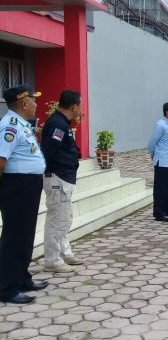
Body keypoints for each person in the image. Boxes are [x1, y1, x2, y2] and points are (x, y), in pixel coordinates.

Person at [0, 84, 48, 304]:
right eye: (34, 99)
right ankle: (7, 288)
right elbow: (1, 162)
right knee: (14, 237)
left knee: (26, 234)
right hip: (16, 187)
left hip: (27, 185)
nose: (37, 103)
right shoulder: (9, 126)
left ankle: (22, 277)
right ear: (24, 103)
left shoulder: (22, 124)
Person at [40, 90, 84, 273]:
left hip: (64, 177)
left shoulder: (62, 123)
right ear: (74, 107)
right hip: (58, 177)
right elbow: (49, 151)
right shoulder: (57, 124)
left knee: (64, 217)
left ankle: (64, 253)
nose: (81, 110)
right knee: (58, 219)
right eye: (80, 106)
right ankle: (52, 260)